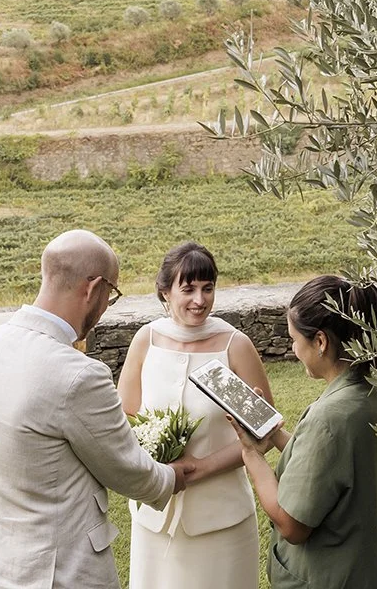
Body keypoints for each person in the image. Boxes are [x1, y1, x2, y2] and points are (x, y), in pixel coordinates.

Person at [0, 229, 191, 589]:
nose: (103, 308)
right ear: (93, 288)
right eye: (109, 296)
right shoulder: (78, 375)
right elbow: (128, 470)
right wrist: (174, 475)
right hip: (58, 573)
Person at [117, 241, 273, 589]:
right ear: (165, 293)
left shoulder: (232, 346)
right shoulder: (147, 341)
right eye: (188, 289)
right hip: (154, 516)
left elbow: (263, 431)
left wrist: (200, 468)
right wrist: (155, 459)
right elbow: (126, 415)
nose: (199, 300)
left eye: (208, 288)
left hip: (222, 520)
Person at [229, 274, 377, 589]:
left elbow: (292, 524)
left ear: (320, 342)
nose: (294, 350)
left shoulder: (328, 418)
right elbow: (331, 465)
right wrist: (277, 436)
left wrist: (252, 454)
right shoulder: (373, 393)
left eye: (295, 339)